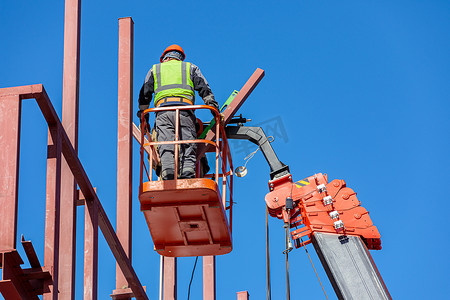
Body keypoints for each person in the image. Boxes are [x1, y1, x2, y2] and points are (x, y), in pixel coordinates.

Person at [137, 44, 219, 180]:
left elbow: (145, 94)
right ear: (180, 58)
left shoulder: (155, 69)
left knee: (166, 143)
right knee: (188, 141)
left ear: (164, 58)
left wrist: (143, 116)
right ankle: (188, 173)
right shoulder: (190, 67)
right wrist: (214, 109)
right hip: (184, 111)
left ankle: (168, 173)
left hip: (162, 111)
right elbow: (204, 88)